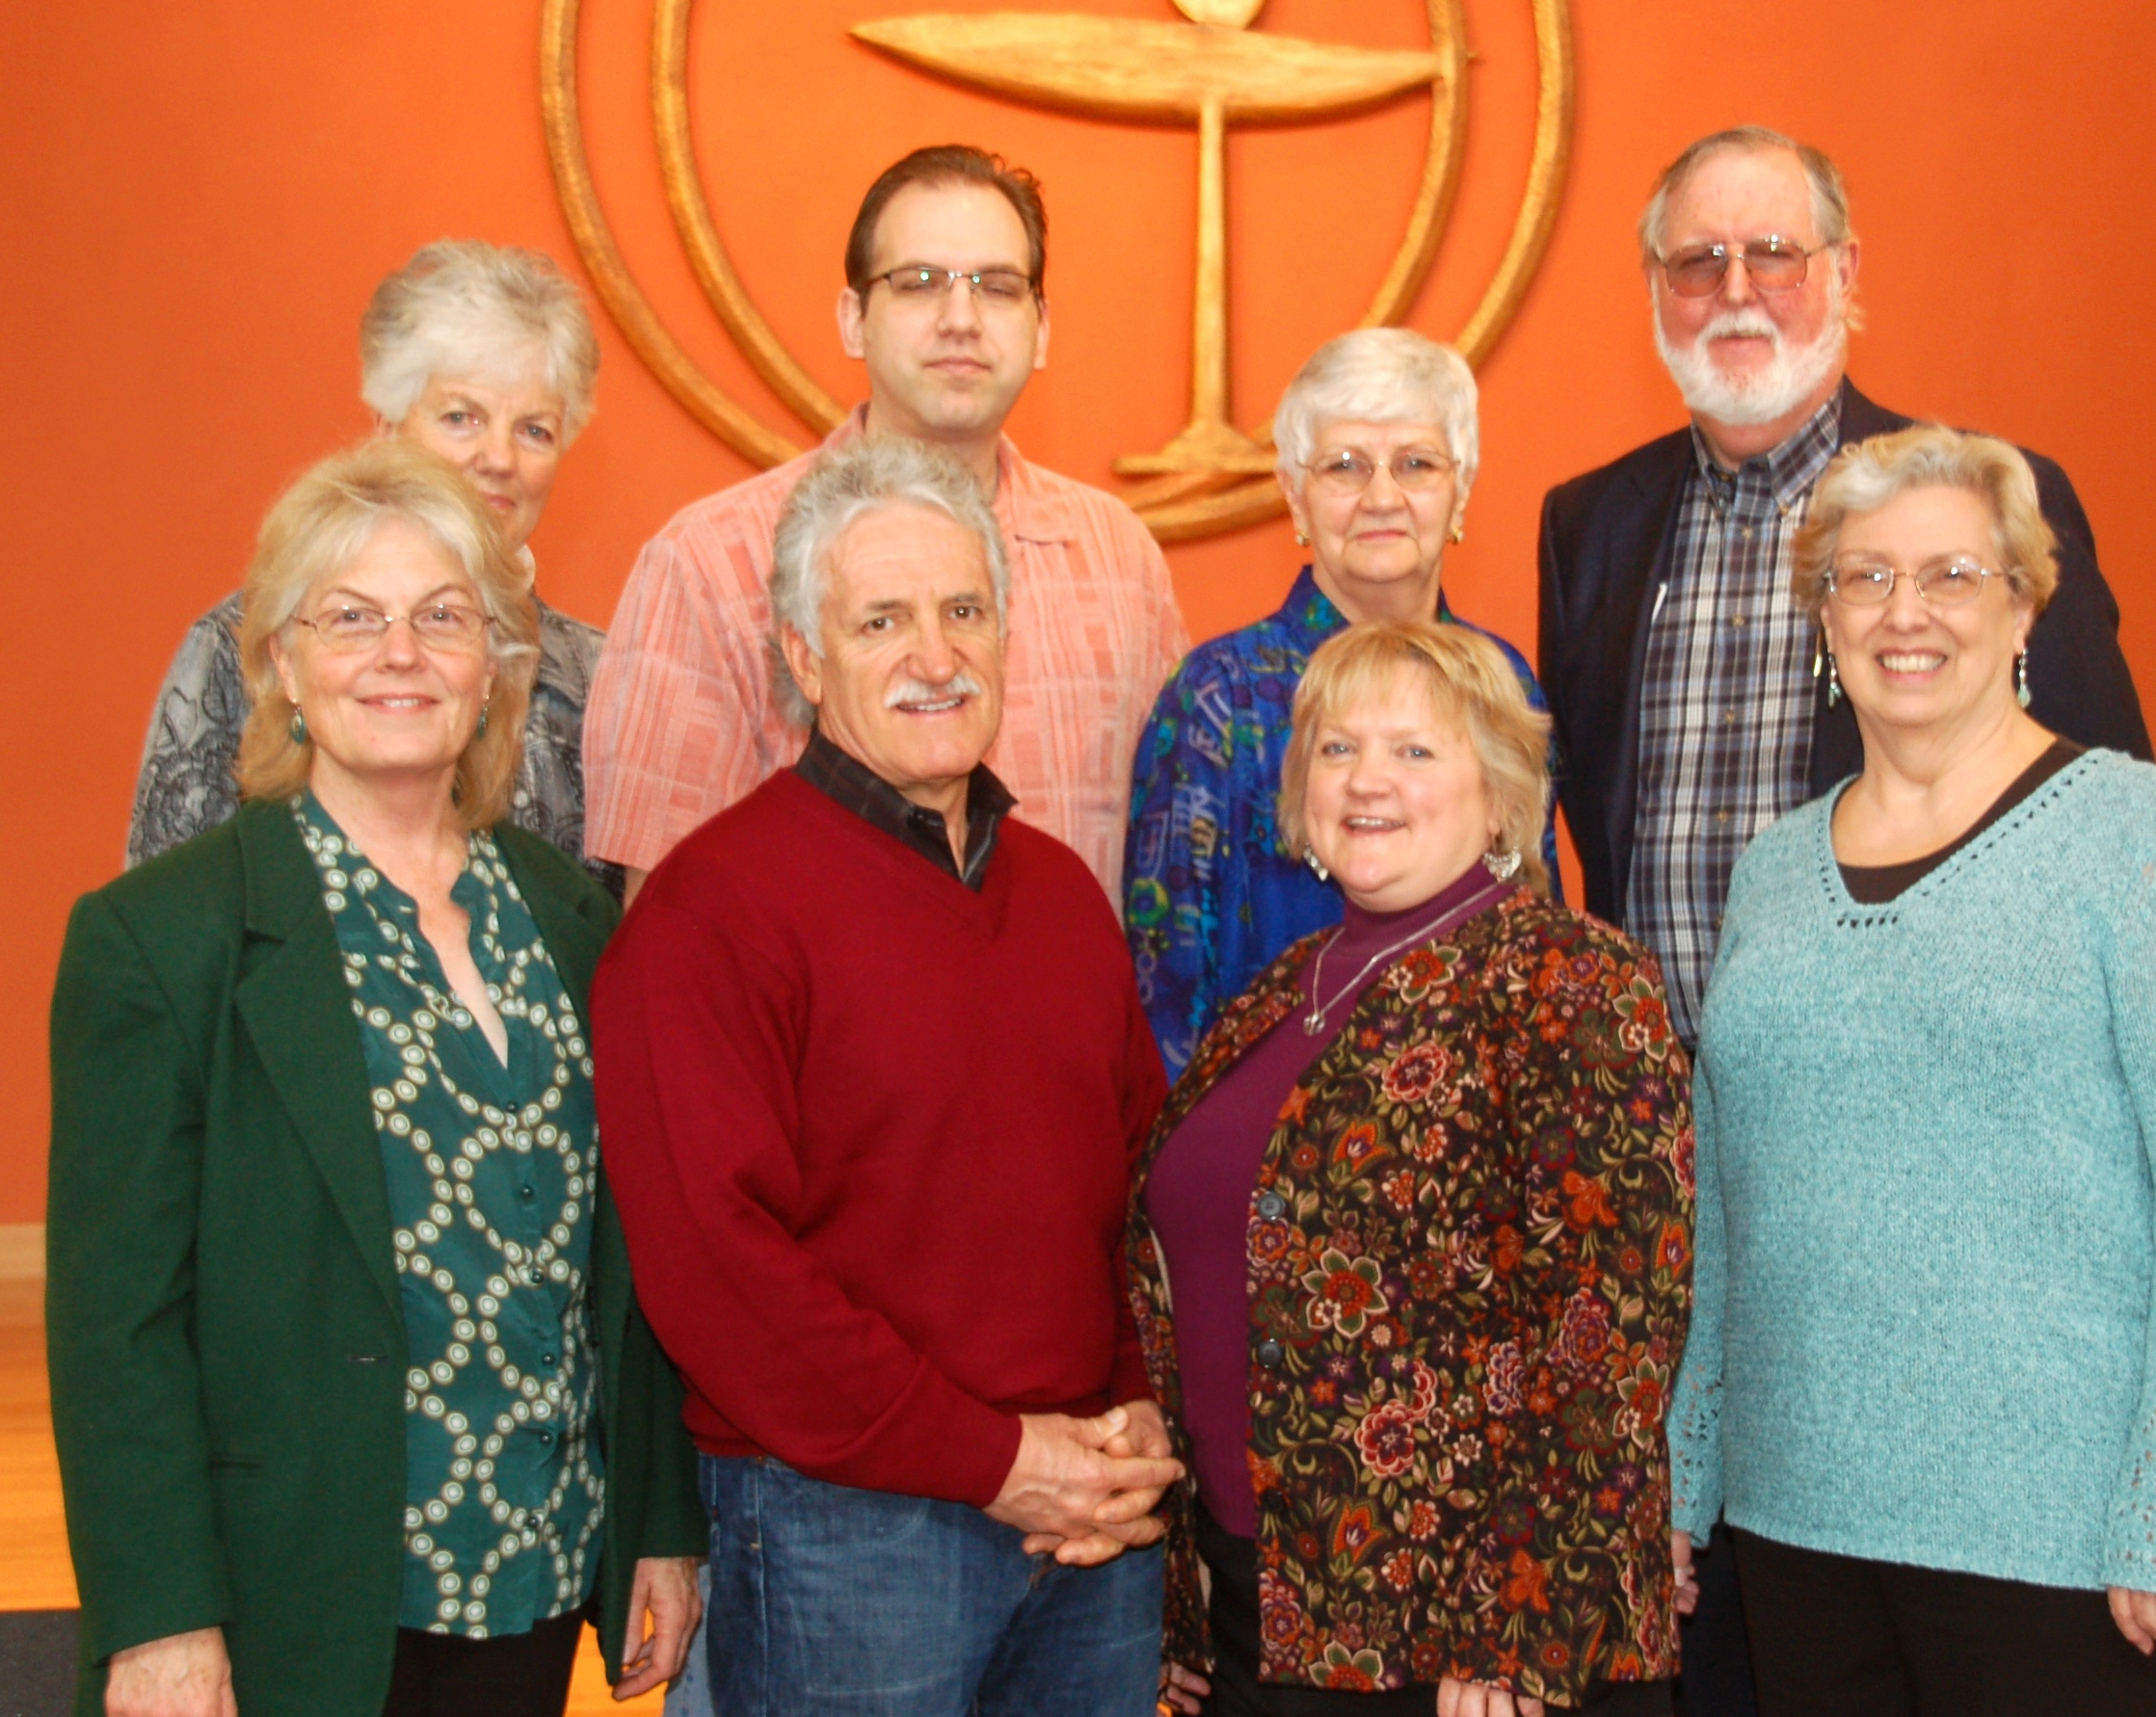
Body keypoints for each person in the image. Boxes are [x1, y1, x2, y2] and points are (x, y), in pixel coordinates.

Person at [1534, 127, 2151, 1709]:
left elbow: (2090, 827)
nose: (1735, 290)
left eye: (1774, 254)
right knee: (1719, 1624)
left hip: (1923, 1211)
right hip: (1670, 1183)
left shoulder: (1976, 513)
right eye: (1696, 260)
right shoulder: (1588, 525)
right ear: (1652, 287)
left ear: (1845, 275)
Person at [48, 441, 705, 1717]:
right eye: (349, 618)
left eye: (442, 618)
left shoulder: (571, 918)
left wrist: (658, 1523)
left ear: (493, 666)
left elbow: (629, 1265)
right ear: (280, 665)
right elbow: (114, 1326)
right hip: (283, 1594)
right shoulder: (163, 939)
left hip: (531, 1565)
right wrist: (160, 1614)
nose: (399, 653)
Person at [1669, 425, 2156, 1717]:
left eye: (1952, 574)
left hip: (2069, 1544)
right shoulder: (1773, 870)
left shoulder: (2136, 833)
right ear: (1823, 618)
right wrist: (1687, 1469)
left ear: (2023, 608)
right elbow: (1727, 1207)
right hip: (1797, 1527)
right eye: (1863, 576)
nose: (1904, 611)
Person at [589, 433, 1183, 1717]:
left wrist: (1138, 1407)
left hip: (1089, 1520)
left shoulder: (1062, 898)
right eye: (882, 621)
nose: (935, 654)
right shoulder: (707, 914)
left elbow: (1136, 1193)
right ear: (804, 659)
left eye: (964, 610)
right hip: (846, 1531)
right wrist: (991, 1457)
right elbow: (717, 1273)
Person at [1130, 621, 1691, 1717]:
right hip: (1260, 1604)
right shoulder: (1275, 994)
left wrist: (1518, 1628)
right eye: (1337, 748)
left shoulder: (1571, 979)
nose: (1366, 778)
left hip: (1468, 1641)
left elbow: (1613, 1329)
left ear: (1501, 795)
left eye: (1415, 749)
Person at [581, 143, 1187, 900]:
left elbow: (1173, 877)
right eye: (920, 282)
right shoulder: (710, 561)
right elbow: (668, 916)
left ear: (1041, 328)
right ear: (853, 320)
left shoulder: (1118, 558)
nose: (961, 319)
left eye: (998, 287)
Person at [1124, 329, 1556, 1077]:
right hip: (1265, 1127)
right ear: (1295, 494)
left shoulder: (1504, 685)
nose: (1382, 496)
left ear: (1461, 489)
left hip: (1473, 1123)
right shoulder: (1219, 699)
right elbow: (1166, 1000)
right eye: (1345, 466)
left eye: (1416, 463)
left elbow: (1538, 941)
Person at [127, 240, 622, 894]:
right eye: (462, 417)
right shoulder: (244, 643)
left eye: (535, 430)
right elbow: (166, 915)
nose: (500, 458)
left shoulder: (603, 677)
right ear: (386, 426)